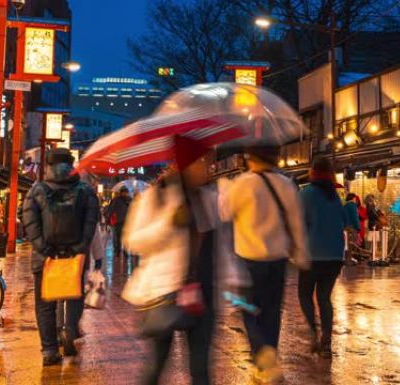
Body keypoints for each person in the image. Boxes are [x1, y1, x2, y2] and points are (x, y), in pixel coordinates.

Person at [122, 154, 218, 385]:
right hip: (165, 291)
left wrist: (232, 282)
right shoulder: (154, 197)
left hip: (203, 291)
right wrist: (169, 222)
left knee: (201, 368)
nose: (205, 167)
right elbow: (133, 241)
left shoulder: (209, 199)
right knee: (156, 364)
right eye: (200, 161)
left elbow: (220, 246)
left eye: (208, 162)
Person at [218, 146, 309, 384]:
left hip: (249, 259)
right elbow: (296, 221)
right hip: (278, 260)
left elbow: (225, 213)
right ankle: (268, 360)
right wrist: (300, 252)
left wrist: (224, 190)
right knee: (271, 312)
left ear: (250, 158)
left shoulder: (243, 183)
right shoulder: (286, 184)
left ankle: (263, 354)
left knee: (249, 310)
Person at [22, 148, 99, 366]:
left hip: (45, 258)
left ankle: (49, 351)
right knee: (74, 296)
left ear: (48, 165)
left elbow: (29, 222)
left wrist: (43, 248)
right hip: (74, 256)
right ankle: (70, 329)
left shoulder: (37, 190)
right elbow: (90, 222)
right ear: (71, 165)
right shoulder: (85, 190)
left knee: (45, 303)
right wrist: (80, 246)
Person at [299, 158, 348, 358]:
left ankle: (313, 332)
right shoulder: (335, 196)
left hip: (313, 255)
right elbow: (343, 221)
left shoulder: (306, 194)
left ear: (313, 172)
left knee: (304, 295)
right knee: (324, 298)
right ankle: (326, 342)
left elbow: (297, 222)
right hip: (335, 256)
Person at [106, 186, 132, 257]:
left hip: (127, 222)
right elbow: (111, 210)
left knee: (126, 237)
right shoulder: (116, 200)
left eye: (126, 192)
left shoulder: (129, 200)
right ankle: (118, 251)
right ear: (120, 192)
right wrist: (108, 219)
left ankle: (125, 251)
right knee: (118, 237)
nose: (125, 193)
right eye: (123, 192)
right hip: (119, 222)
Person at [343, 193, 361, 264]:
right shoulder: (353, 206)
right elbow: (355, 217)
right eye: (355, 198)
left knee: (346, 245)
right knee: (351, 244)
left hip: (345, 227)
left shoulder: (345, 206)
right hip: (351, 227)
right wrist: (358, 227)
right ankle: (349, 260)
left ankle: (346, 259)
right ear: (353, 198)